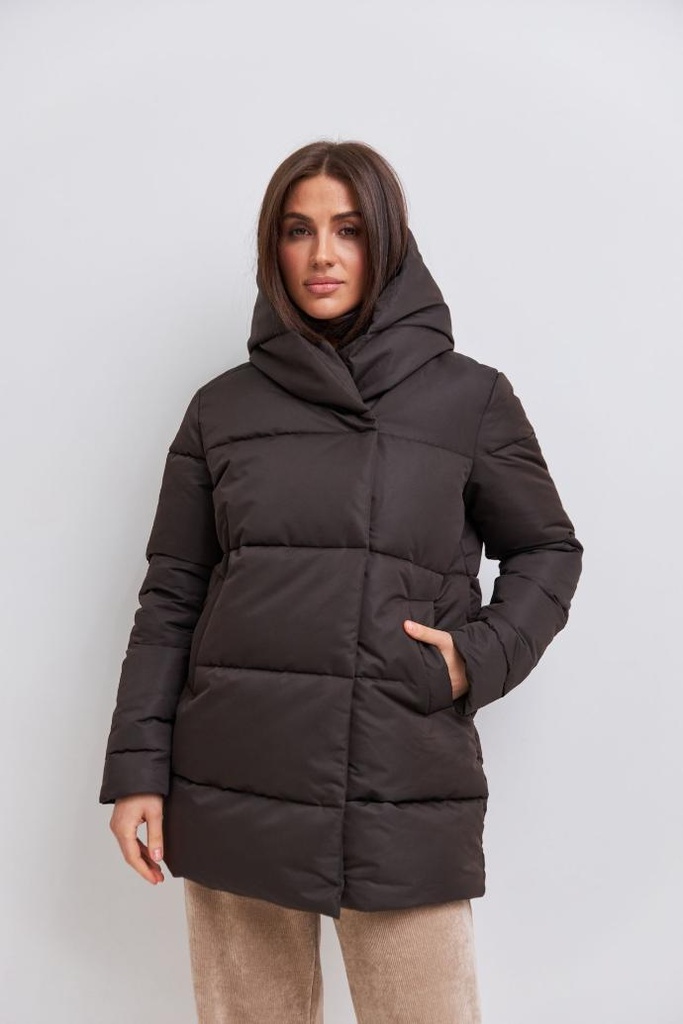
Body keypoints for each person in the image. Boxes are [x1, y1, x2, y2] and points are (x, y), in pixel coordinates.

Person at [99, 139, 583, 1023]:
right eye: (298, 230)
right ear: (272, 249)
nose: (322, 254)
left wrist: (472, 658)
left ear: (387, 241)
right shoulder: (222, 409)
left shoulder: (469, 399)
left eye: (348, 230)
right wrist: (138, 772)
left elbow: (548, 550)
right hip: (233, 776)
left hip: (399, 773)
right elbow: (171, 597)